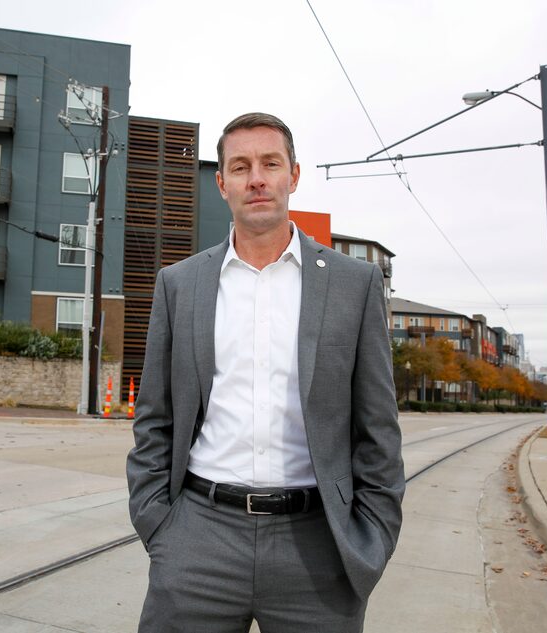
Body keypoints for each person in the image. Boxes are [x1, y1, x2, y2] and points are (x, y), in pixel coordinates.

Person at [126, 112, 404, 633]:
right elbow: (154, 421)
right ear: (222, 183)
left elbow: (378, 430)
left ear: (293, 175)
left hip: (319, 546)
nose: (256, 178)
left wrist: (374, 534)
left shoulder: (355, 284)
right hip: (197, 540)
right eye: (241, 166)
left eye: (270, 163)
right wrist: (159, 527)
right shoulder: (179, 285)